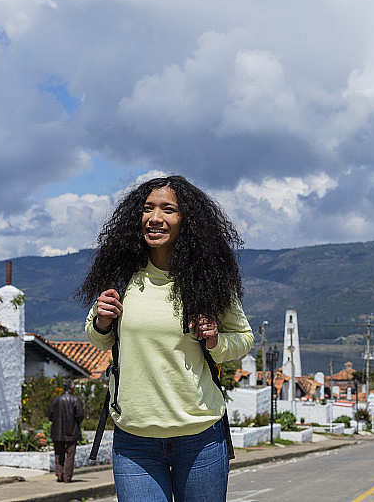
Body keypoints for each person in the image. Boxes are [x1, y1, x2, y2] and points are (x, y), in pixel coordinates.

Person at [78, 175, 254, 502]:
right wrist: (102, 321)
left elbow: (242, 338)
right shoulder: (122, 276)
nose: (154, 218)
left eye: (167, 209)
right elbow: (99, 337)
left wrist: (215, 340)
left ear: (186, 220)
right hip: (134, 442)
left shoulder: (209, 282)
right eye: (147, 209)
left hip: (199, 438)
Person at [47, 379, 84, 482]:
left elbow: (50, 414)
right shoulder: (75, 400)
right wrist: (75, 423)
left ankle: (59, 474)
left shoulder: (56, 400)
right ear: (71, 388)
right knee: (70, 456)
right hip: (72, 432)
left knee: (58, 453)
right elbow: (80, 415)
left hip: (57, 432)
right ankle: (67, 476)